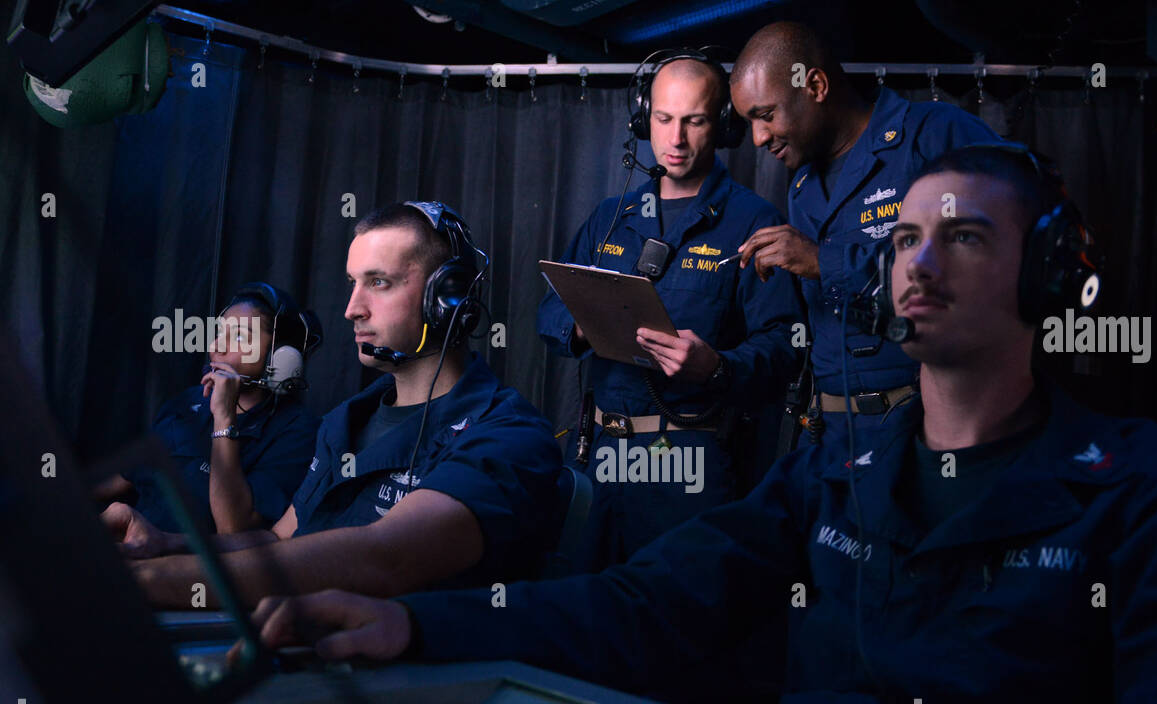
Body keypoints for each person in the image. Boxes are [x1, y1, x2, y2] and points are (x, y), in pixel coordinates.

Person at [244, 149, 1157, 704]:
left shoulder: (1154, 491)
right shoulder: (831, 473)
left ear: (1049, 274)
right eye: (901, 242)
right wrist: (411, 627)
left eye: (964, 236)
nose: (917, 265)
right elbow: (645, 603)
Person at [103, 201, 563, 609]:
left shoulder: (508, 435)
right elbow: (276, 539)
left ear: (447, 298)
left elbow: (383, 558)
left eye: (378, 283)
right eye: (352, 283)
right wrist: (163, 545)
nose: (351, 308)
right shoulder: (343, 422)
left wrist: (152, 580)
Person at [539, 48, 803, 569]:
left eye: (695, 121)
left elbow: (785, 347)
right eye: (663, 119)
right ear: (644, 117)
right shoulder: (610, 218)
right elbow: (548, 310)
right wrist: (580, 324)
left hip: (689, 464)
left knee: (677, 625)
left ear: (723, 124)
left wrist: (718, 367)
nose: (676, 139)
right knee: (581, 613)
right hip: (600, 457)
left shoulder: (754, 221)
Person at [731, 21, 999, 439]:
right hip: (832, 432)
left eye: (765, 116)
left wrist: (824, 262)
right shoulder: (802, 187)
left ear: (815, 86)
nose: (758, 137)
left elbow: (988, 264)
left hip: (924, 427)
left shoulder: (932, 135)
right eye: (749, 122)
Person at [95, 283, 320, 534]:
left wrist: (224, 419)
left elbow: (233, 527)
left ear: (279, 358)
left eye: (238, 337)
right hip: (128, 546)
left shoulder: (297, 433)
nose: (216, 348)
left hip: (190, 568)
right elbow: (125, 476)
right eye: (219, 333)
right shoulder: (188, 403)